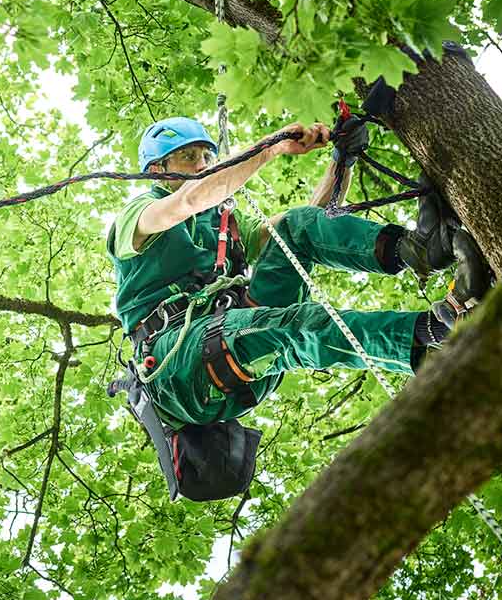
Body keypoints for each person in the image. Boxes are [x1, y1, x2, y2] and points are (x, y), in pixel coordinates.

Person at [107, 116, 492, 434]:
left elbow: (305, 228)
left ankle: (418, 250)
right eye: (188, 157)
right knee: (295, 325)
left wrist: (343, 160)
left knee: (294, 226)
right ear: (157, 171)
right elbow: (188, 200)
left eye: (207, 154)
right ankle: (435, 335)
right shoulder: (139, 215)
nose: (203, 164)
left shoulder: (224, 224)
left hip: (237, 328)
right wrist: (270, 146)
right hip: (182, 368)